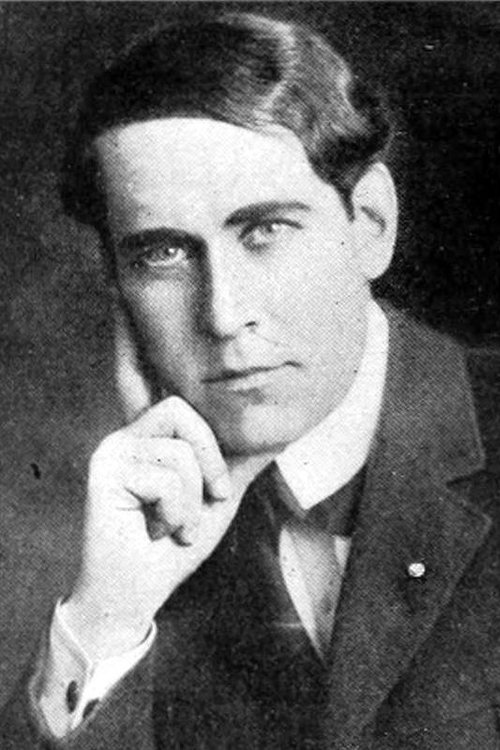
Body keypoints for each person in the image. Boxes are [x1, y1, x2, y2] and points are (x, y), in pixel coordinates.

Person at [1, 10, 500, 750]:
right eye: (163, 254)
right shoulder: (147, 522)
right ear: (117, 287)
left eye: (265, 230)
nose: (224, 315)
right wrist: (107, 619)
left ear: (370, 224)